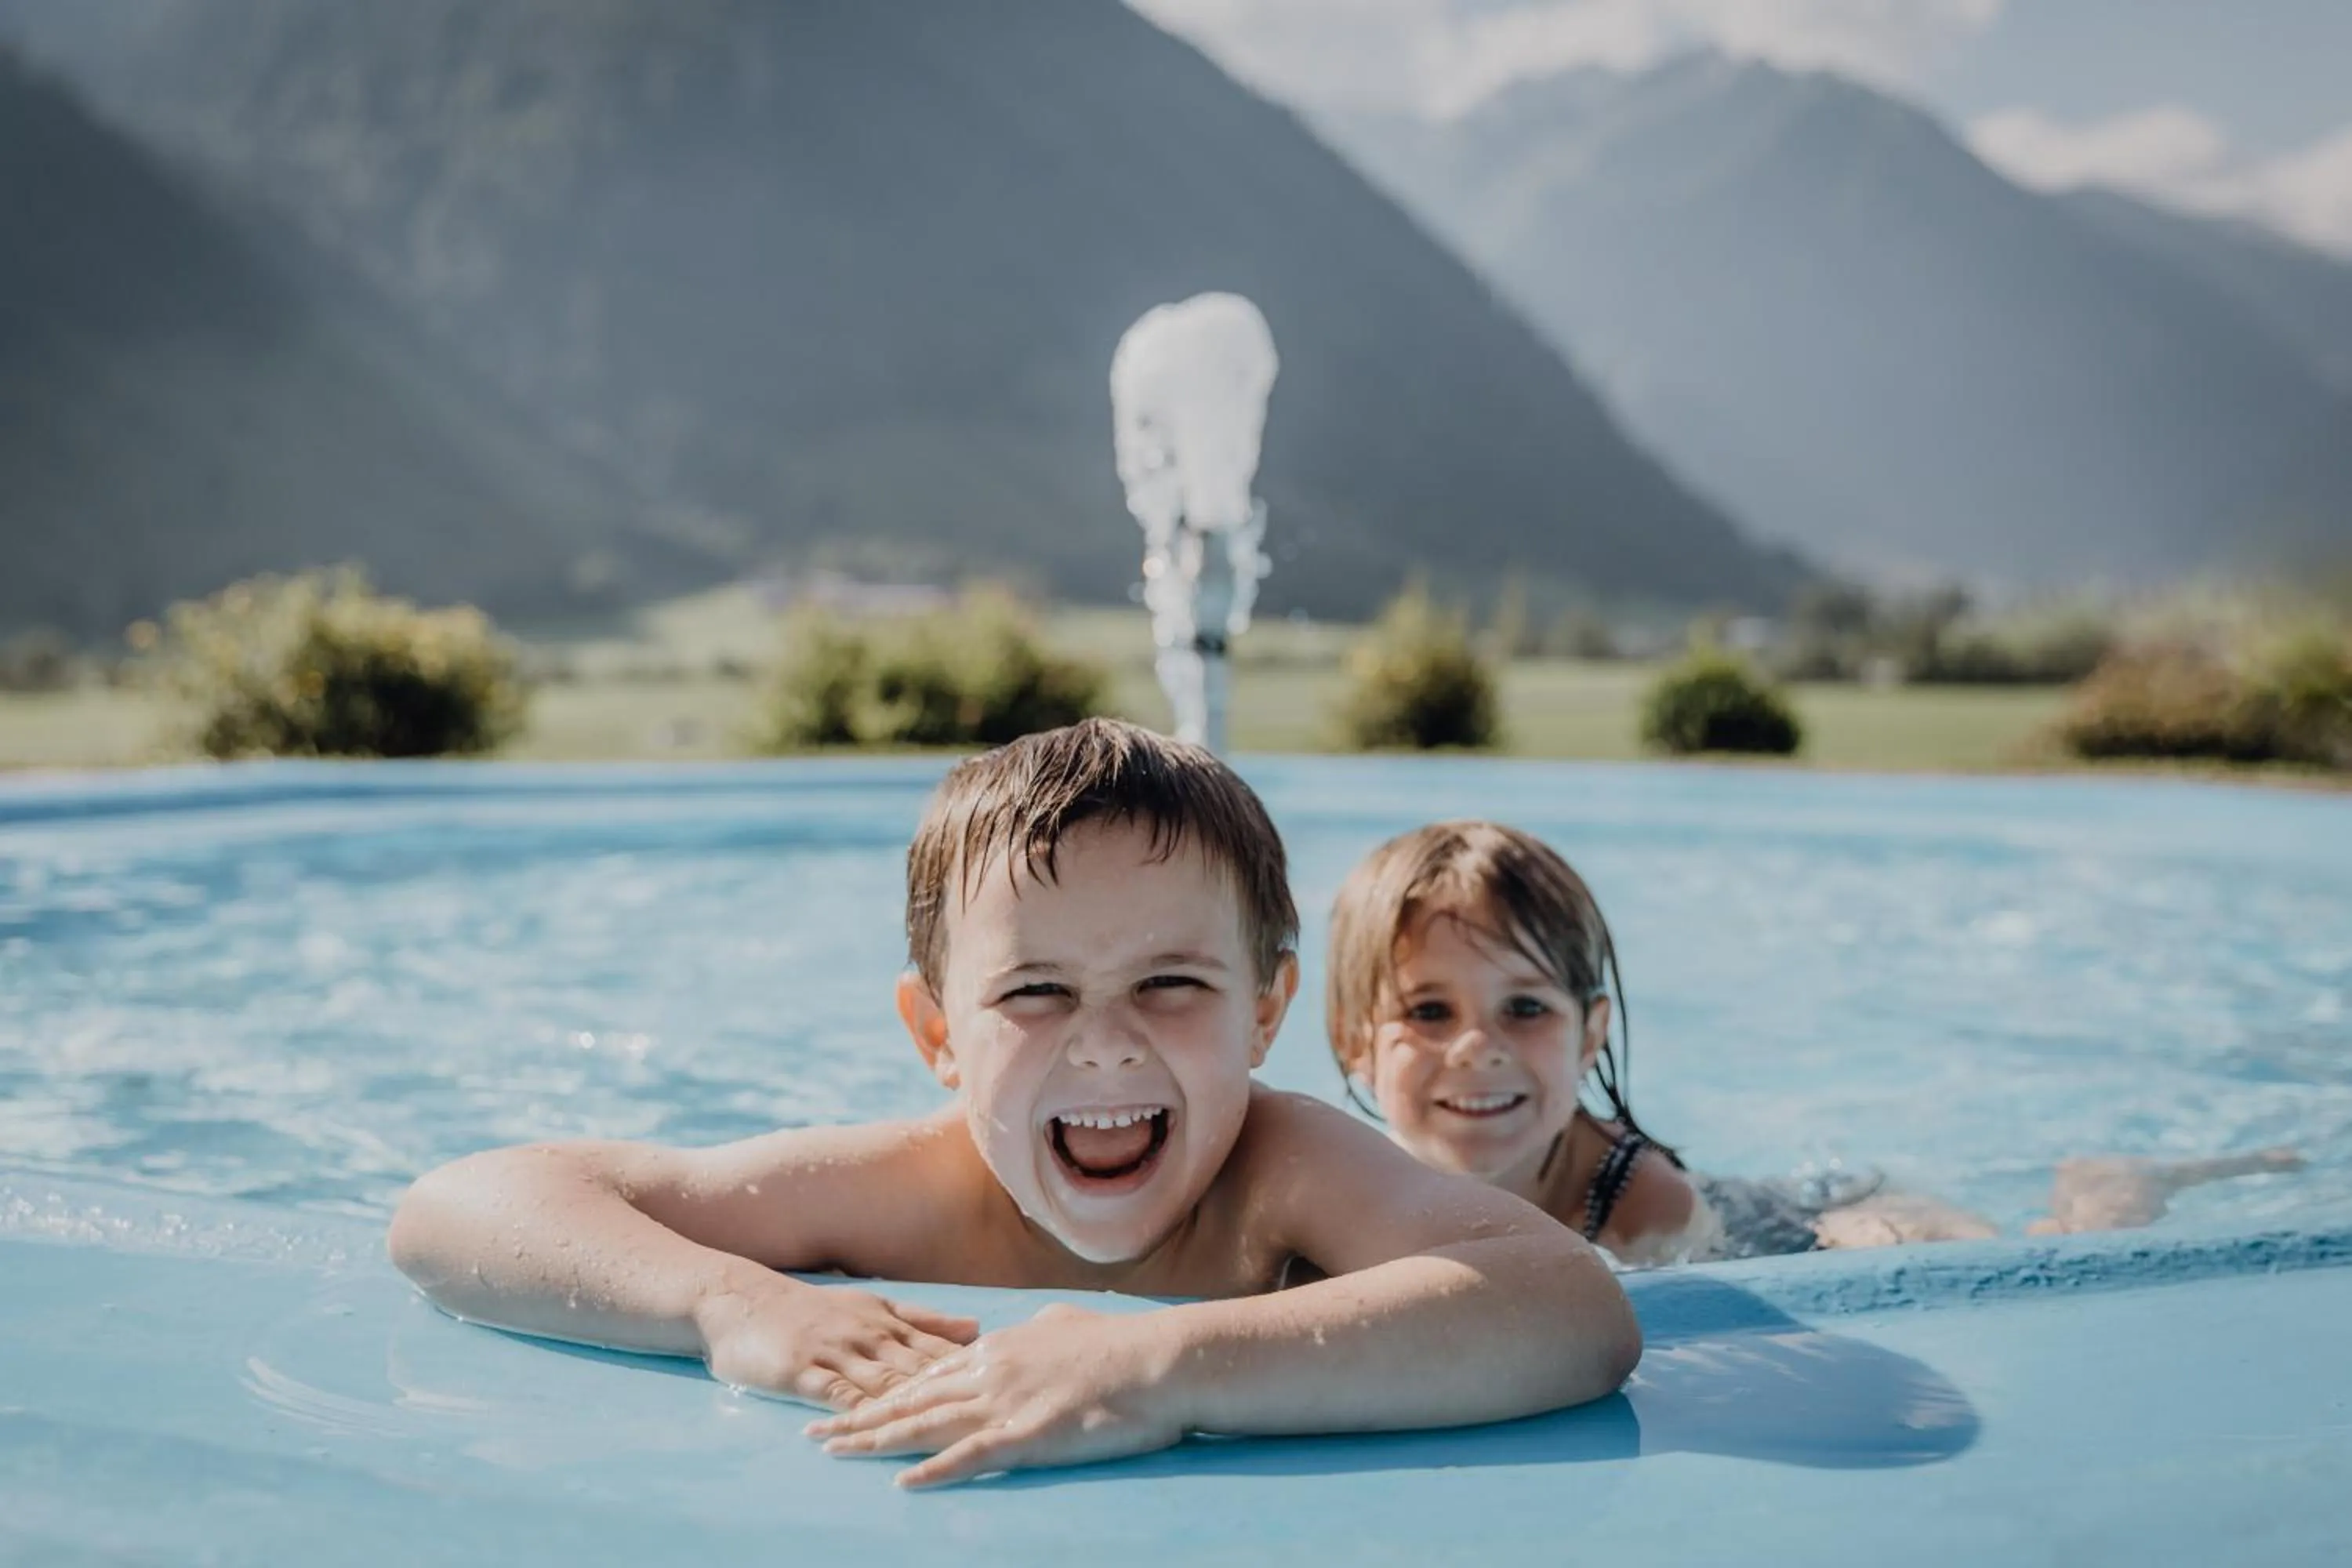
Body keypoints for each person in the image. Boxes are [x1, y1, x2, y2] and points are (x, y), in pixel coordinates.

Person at [389, 722, 1639, 1490]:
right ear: (937, 1032)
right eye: (1037, 990)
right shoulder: (915, 1188)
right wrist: (729, 1301)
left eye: (1170, 984)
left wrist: (1160, 1365)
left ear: (1266, 1013)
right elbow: (459, 1210)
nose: (1105, 1045)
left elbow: (1572, 1306)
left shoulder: (1283, 1171)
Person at [1325, 819, 2304, 1265]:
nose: (1479, 1047)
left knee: (2042, 1256)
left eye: (1526, 1009)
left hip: (1782, 1226)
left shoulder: (1644, 1208)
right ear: (1352, 1042)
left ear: (1592, 1035)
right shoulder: (1339, 1181)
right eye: (1429, 1010)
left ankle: (2108, 1180)